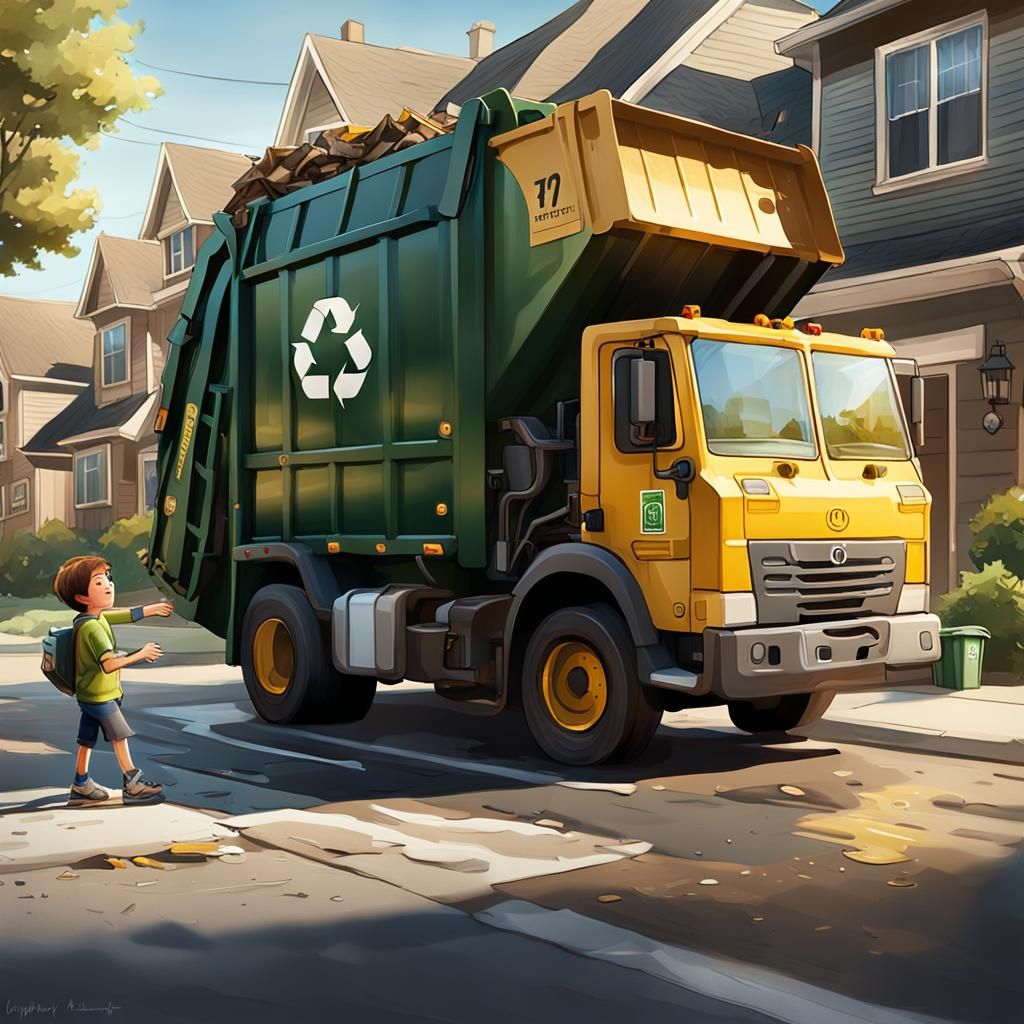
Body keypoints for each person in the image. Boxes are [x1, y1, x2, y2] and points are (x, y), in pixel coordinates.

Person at [52, 555, 173, 805]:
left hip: (90, 694)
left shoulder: (91, 618)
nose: (108, 585)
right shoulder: (93, 628)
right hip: (101, 696)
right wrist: (141, 654)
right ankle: (133, 784)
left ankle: (81, 784)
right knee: (119, 735)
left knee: (87, 738)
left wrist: (152, 609)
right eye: (98, 582)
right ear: (82, 597)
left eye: (108, 578)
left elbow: (126, 614)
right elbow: (108, 664)